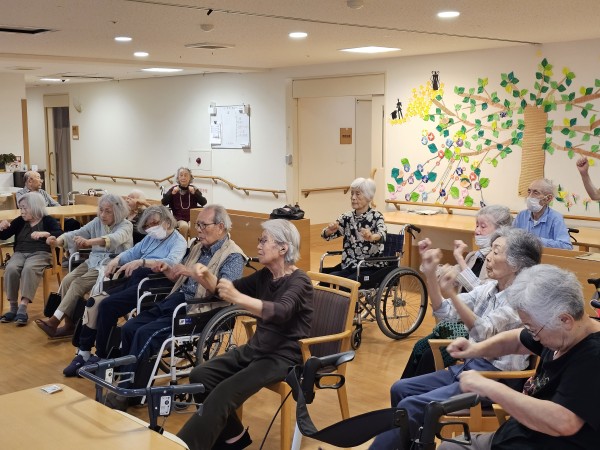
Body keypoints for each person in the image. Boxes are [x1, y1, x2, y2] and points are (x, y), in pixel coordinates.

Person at [369, 227, 542, 450]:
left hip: (494, 380)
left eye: (496, 252)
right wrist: (430, 274)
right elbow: (444, 311)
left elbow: (482, 331)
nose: (488, 257)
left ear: (516, 264)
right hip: (469, 369)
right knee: (400, 389)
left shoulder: (520, 300)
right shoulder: (489, 288)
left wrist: (451, 292)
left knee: (411, 405)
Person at [177, 218, 314, 450]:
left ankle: (182, 446)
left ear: (283, 248)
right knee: (201, 375)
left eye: (264, 241)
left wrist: (237, 298)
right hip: (256, 349)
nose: (259, 245)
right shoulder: (265, 275)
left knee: (223, 394)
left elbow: (281, 311)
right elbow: (228, 290)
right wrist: (206, 277)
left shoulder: (300, 282)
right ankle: (235, 436)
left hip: (282, 357)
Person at [438, 264, 600, 450]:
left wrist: (489, 387)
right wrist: (474, 349)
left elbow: (564, 421)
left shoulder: (593, 356)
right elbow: (517, 340)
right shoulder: (564, 333)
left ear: (565, 320)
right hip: (516, 435)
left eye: (534, 329)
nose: (534, 336)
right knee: (448, 446)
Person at [104, 204, 245, 409]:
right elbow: (178, 276)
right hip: (177, 299)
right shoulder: (198, 247)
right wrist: (167, 269)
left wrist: (194, 273)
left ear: (220, 227)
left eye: (203, 225)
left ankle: (128, 392)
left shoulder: (233, 256)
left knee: (145, 334)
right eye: (197, 225)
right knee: (129, 327)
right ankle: (130, 384)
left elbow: (225, 292)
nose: (198, 230)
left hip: (202, 310)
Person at [62, 205, 187, 376]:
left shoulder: (178, 241)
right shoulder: (151, 238)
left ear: (167, 221)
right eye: (148, 225)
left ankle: (102, 355)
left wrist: (143, 262)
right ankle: (84, 352)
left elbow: (171, 263)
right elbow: (132, 252)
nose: (151, 228)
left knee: (108, 305)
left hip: (154, 284)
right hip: (135, 279)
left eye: (154, 223)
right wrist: (116, 261)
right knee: (94, 302)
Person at [402, 205, 513, 379]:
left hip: (473, 332)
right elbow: (450, 276)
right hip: (457, 322)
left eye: (483, 226)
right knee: (419, 347)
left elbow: (481, 292)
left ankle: (416, 392)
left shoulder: (500, 267)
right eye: (476, 225)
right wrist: (430, 264)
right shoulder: (473, 256)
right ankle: (405, 393)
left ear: (500, 230)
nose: (477, 230)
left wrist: (460, 259)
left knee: (429, 356)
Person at [35, 194, 132, 338]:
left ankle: (54, 321)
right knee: (67, 280)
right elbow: (77, 233)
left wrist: (89, 242)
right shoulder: (97, 222)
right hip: (93, 261)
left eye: (108, 211)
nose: (102, 215)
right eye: (101, 210)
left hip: (110, 266)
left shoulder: (126, 225)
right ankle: (69, 325)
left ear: (117, 212)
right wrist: (57, 241)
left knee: (77, 284)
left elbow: (114, 239)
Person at [0, 193, 63, 326]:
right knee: (11, 268)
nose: (22, 211)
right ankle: (13, 308)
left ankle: (23, 307)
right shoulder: (20, 221)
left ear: (35, 207)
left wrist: (46, 234)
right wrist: (1, 226)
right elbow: (4, 236)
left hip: (41, 253)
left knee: (29, 269)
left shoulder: (48, 220)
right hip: (20, 253)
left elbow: (60, 234)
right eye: (20, 208)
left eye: (25, 208)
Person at [321, 177, 387, 279]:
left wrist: (371, 237)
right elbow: (325, 235)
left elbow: (382, 234)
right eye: (352, 193)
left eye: (358, 194)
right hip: (349, 265)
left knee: (346, 283)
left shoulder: (376, 216)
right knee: (327, 280)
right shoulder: (347, 217)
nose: (353, 197)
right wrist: (329, 231)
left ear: (368, 197)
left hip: (369, 267)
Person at [513, 178, 572, 249]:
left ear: (548, 198)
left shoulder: (556, 218)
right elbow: (510, 239)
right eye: (529, 191)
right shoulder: (521, 215)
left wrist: (536, 241)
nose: (530, 196)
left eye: (536, 193)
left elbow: (566, 246)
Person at [16, 170, 80, 231]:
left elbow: (55, 204)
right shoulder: (21, 193)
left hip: (50, 218)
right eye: (38, 178)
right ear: (30, 181)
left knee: (74, 223)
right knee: (54, 227)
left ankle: (66, 238)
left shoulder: (42, 192)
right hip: (35, 221)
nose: (41, 181)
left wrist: (60, 212)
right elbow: (27, 209)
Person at [161, 167, 207, 239]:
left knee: (193, 226)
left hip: (192, 218)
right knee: (184, 226)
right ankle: (183, 245)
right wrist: (172, 193)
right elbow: (164, 202)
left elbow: (203, 202)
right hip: (178, 219)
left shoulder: (194, 189)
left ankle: (193, 245)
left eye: (186, 175)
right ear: (178, 178)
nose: (183, 177)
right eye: (181, 175)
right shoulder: (173, 189)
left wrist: (195, 193)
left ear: (190, 178)